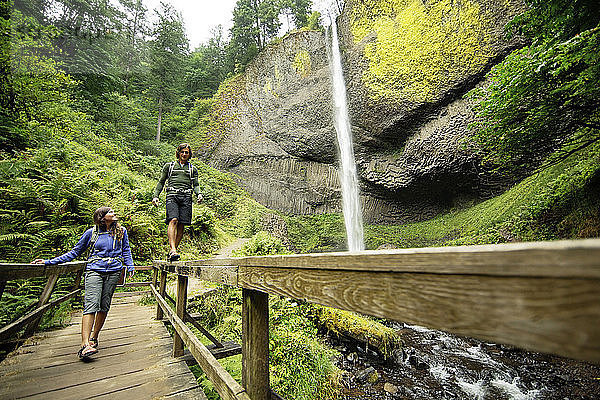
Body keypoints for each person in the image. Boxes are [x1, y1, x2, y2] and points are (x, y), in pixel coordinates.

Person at [33, 207, 134, 359]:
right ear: (102, 216)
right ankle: (84, 344)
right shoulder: (91, 233)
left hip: (114, 271)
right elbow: (74, 252)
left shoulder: (121, 231)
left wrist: (130, 265)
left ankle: (94, 337)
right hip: (94, 270)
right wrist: (49, 261)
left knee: (104, 305)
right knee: (91, 304)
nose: (114, 214)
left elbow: (125, 249)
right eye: (110, 212)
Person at [152, 143, 203, 262]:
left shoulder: (192, 169)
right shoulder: (169, 166)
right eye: (182, 152)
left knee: (182, 224)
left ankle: (173, 252)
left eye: (187, 152)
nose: (184, 154)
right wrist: (155, 196)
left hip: (186, 196)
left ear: (189, 154)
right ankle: (173, 249)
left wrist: (199, 194)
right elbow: (161, 182)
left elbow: (195, 184)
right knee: (173, 220)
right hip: (172, 195)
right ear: (178, 153)